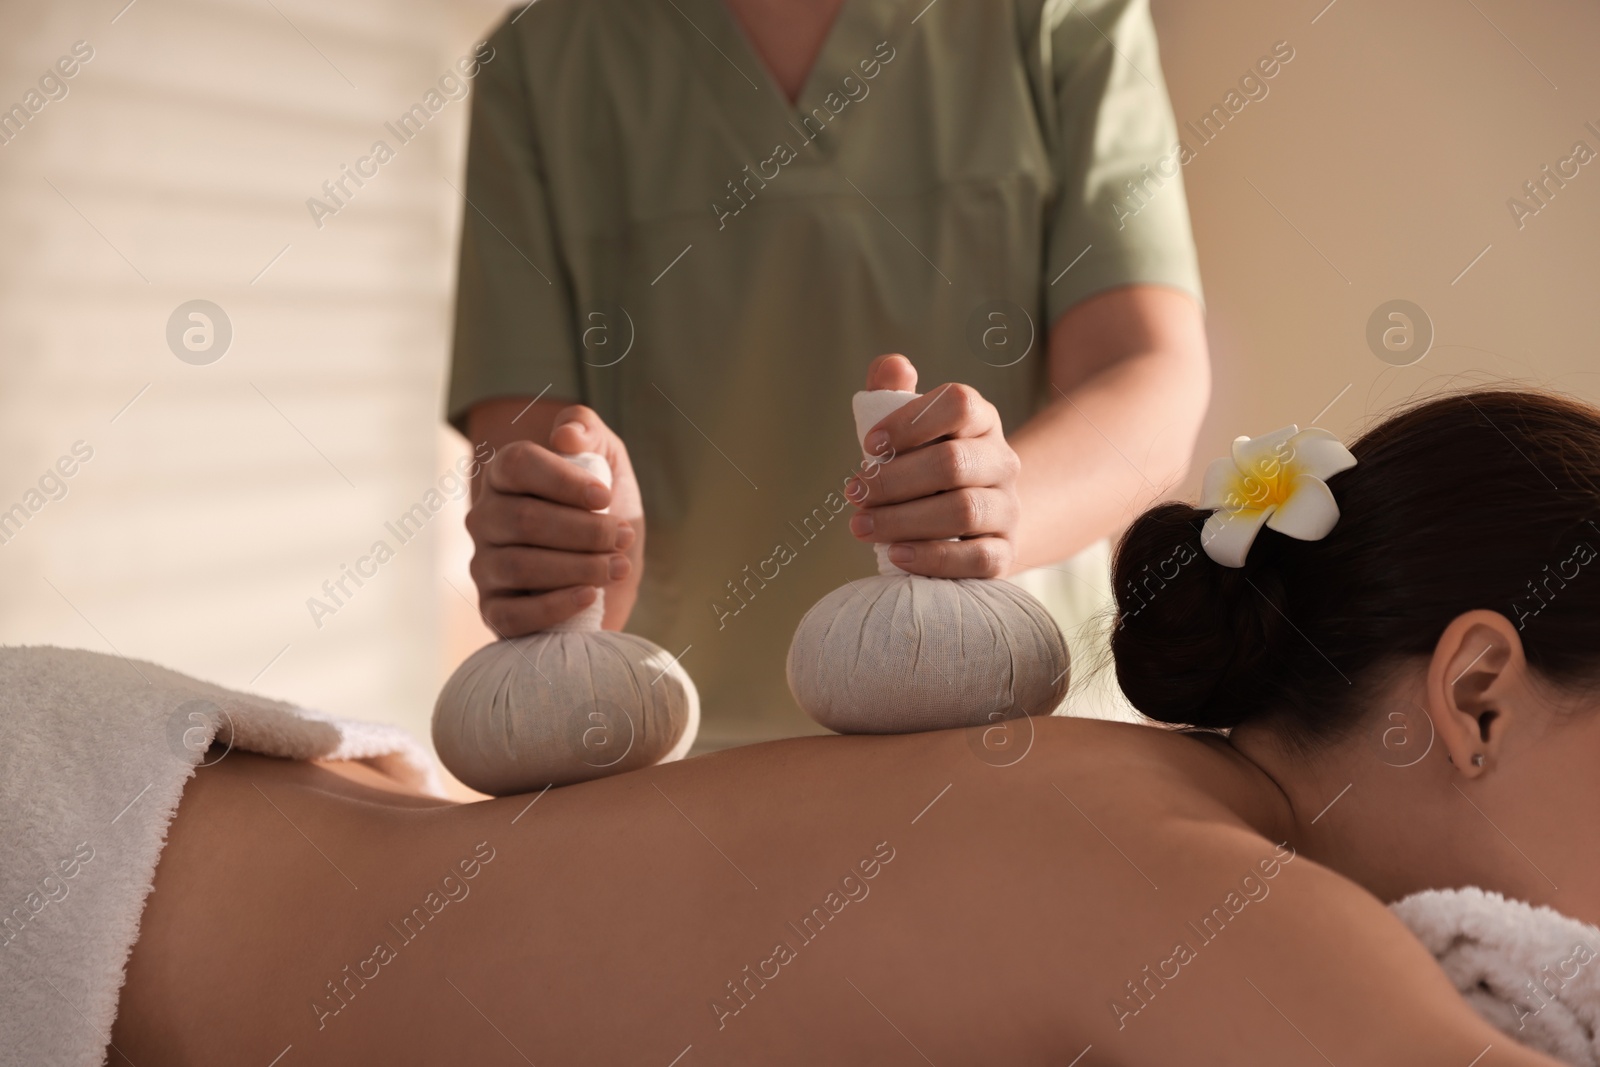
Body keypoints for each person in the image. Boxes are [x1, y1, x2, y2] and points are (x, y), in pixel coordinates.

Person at [114, 389, 1599, 1065]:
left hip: (181, 822)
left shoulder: (1136, 793)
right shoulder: (1233, 898)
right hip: (96, 855)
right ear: (1474, 694)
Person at [448, 0, 1210, 749]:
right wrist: (559, 550)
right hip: (692, 772)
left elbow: (1148, 369)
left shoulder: (1063, 16)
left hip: (1028, 741)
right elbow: (527, 457)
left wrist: (998, 505)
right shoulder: (541, 60)